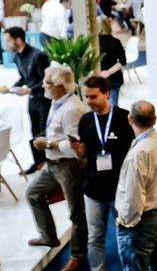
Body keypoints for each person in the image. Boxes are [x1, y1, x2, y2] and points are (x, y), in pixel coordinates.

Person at [25, 64, 88, 271]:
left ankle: (78, 255)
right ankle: (49, 236)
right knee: (32, 193)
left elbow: (75, 147)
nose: (43, 85)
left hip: (69, 166)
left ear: (61, 86)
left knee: (76, 213)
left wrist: (48, 144)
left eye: (48, 82)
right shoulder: (57, 102)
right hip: (53, 165)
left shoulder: (73, 109)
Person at [76, 76, 134, 270]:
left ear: (107, 93)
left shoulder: (124, 118)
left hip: (120, 189)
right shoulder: (85, 120)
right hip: (93, 190)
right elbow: (84, 157)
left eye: (93, 97)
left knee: (127, 233)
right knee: (95, 237)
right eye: (86, 97)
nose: (89, 101)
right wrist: (79, 152)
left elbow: (134, 154)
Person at [115, 101, 157, 271]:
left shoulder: (139, 153)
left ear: (130, 119)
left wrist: (127, 222)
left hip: (145, 219)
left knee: (137, 266)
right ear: (155, 118)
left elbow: (133, 194)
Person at [0, 27, 51, 174]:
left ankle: (49, 165)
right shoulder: (17, 57)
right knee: (34, 131)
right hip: (32, 100)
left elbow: (45, 80)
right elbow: (24, 77)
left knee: (44, 132)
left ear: (18, 40)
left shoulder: (38, 56)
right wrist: (11, 88)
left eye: (8, 41)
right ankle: (38, 163)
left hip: (44, 99)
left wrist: (30, 90)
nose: (6, 44)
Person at [98, 17, 126, 106]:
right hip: (114, 78)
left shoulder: (94, 43)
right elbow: (122, 62)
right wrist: (108, 72)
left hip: (101, 78)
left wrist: (104, 73)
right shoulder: (115, 42)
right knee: (113, 105)